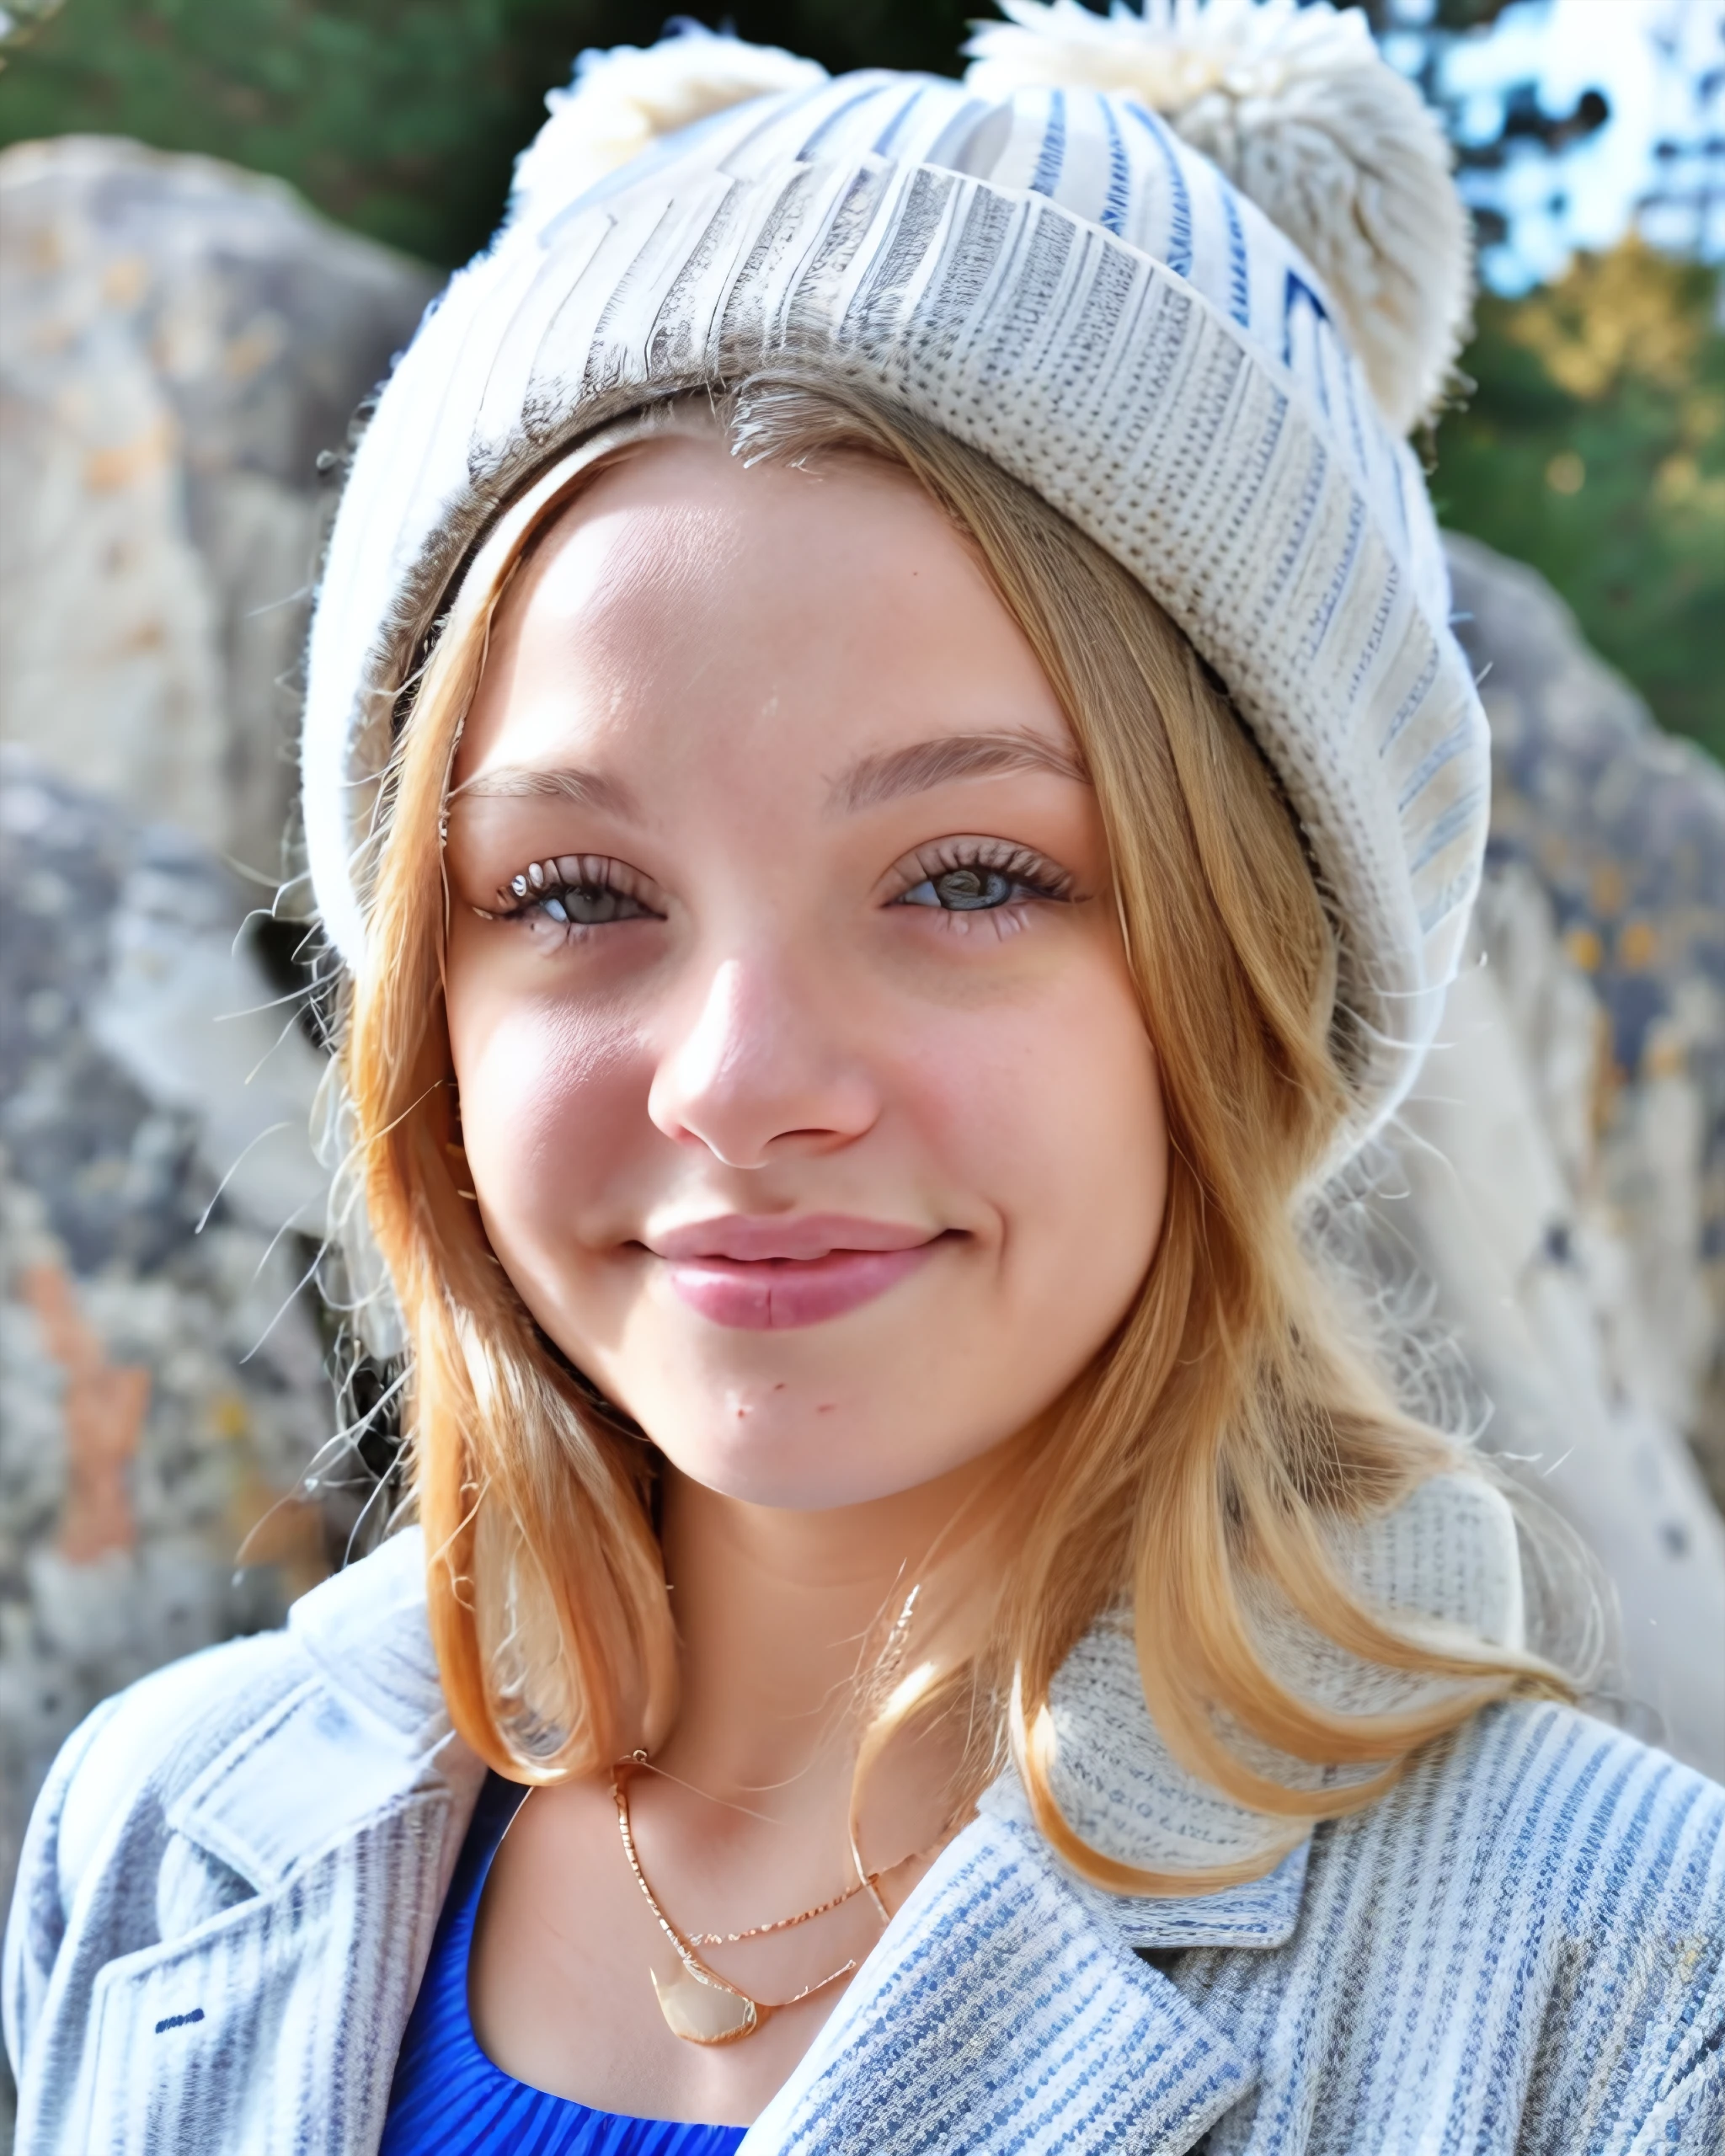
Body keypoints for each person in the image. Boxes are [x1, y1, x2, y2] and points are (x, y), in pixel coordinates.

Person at [6, 6, 1722, 2151]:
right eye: (570, 887)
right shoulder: (160, 1834)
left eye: (970, 876)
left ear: (1253, 974)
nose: (739, 1082)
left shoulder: (1631, 1990)